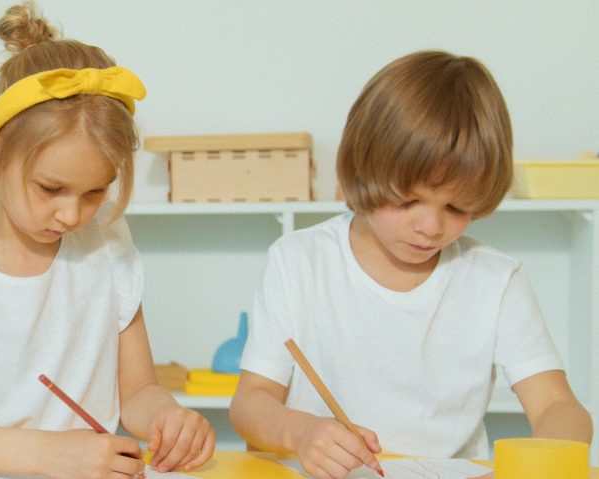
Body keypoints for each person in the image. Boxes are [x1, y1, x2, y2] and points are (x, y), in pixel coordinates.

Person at [0, 2, 214, 477]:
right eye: (50, 188)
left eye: (96, 191)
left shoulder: (109, 252)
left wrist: (169, 418)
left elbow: (137, 391)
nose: (72, 214)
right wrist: (52, 454)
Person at [229, 50, 593, 479]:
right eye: (407, 201)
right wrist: (302, 433)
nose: (431, 227)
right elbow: (251, 402)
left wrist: (541, 464)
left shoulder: (495, 279)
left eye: (458, 208)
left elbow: (556, 405)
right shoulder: (298, 261)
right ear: (362, 170)